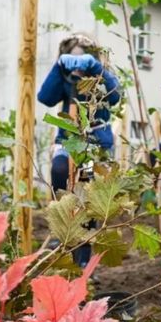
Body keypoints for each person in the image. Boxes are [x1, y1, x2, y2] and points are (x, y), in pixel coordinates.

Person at [38, 34, 120, 267]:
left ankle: (83, 255)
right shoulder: (66, 77)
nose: (77, 64)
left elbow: (115, 96)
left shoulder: (100, 75)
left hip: (93, 142)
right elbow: (46, 97)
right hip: (68, 138)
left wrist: (94, 67)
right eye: (71, 58)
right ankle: (63, 229)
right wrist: (59, 67)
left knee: (86, 192)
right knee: (59, 169)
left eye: (81, 58)